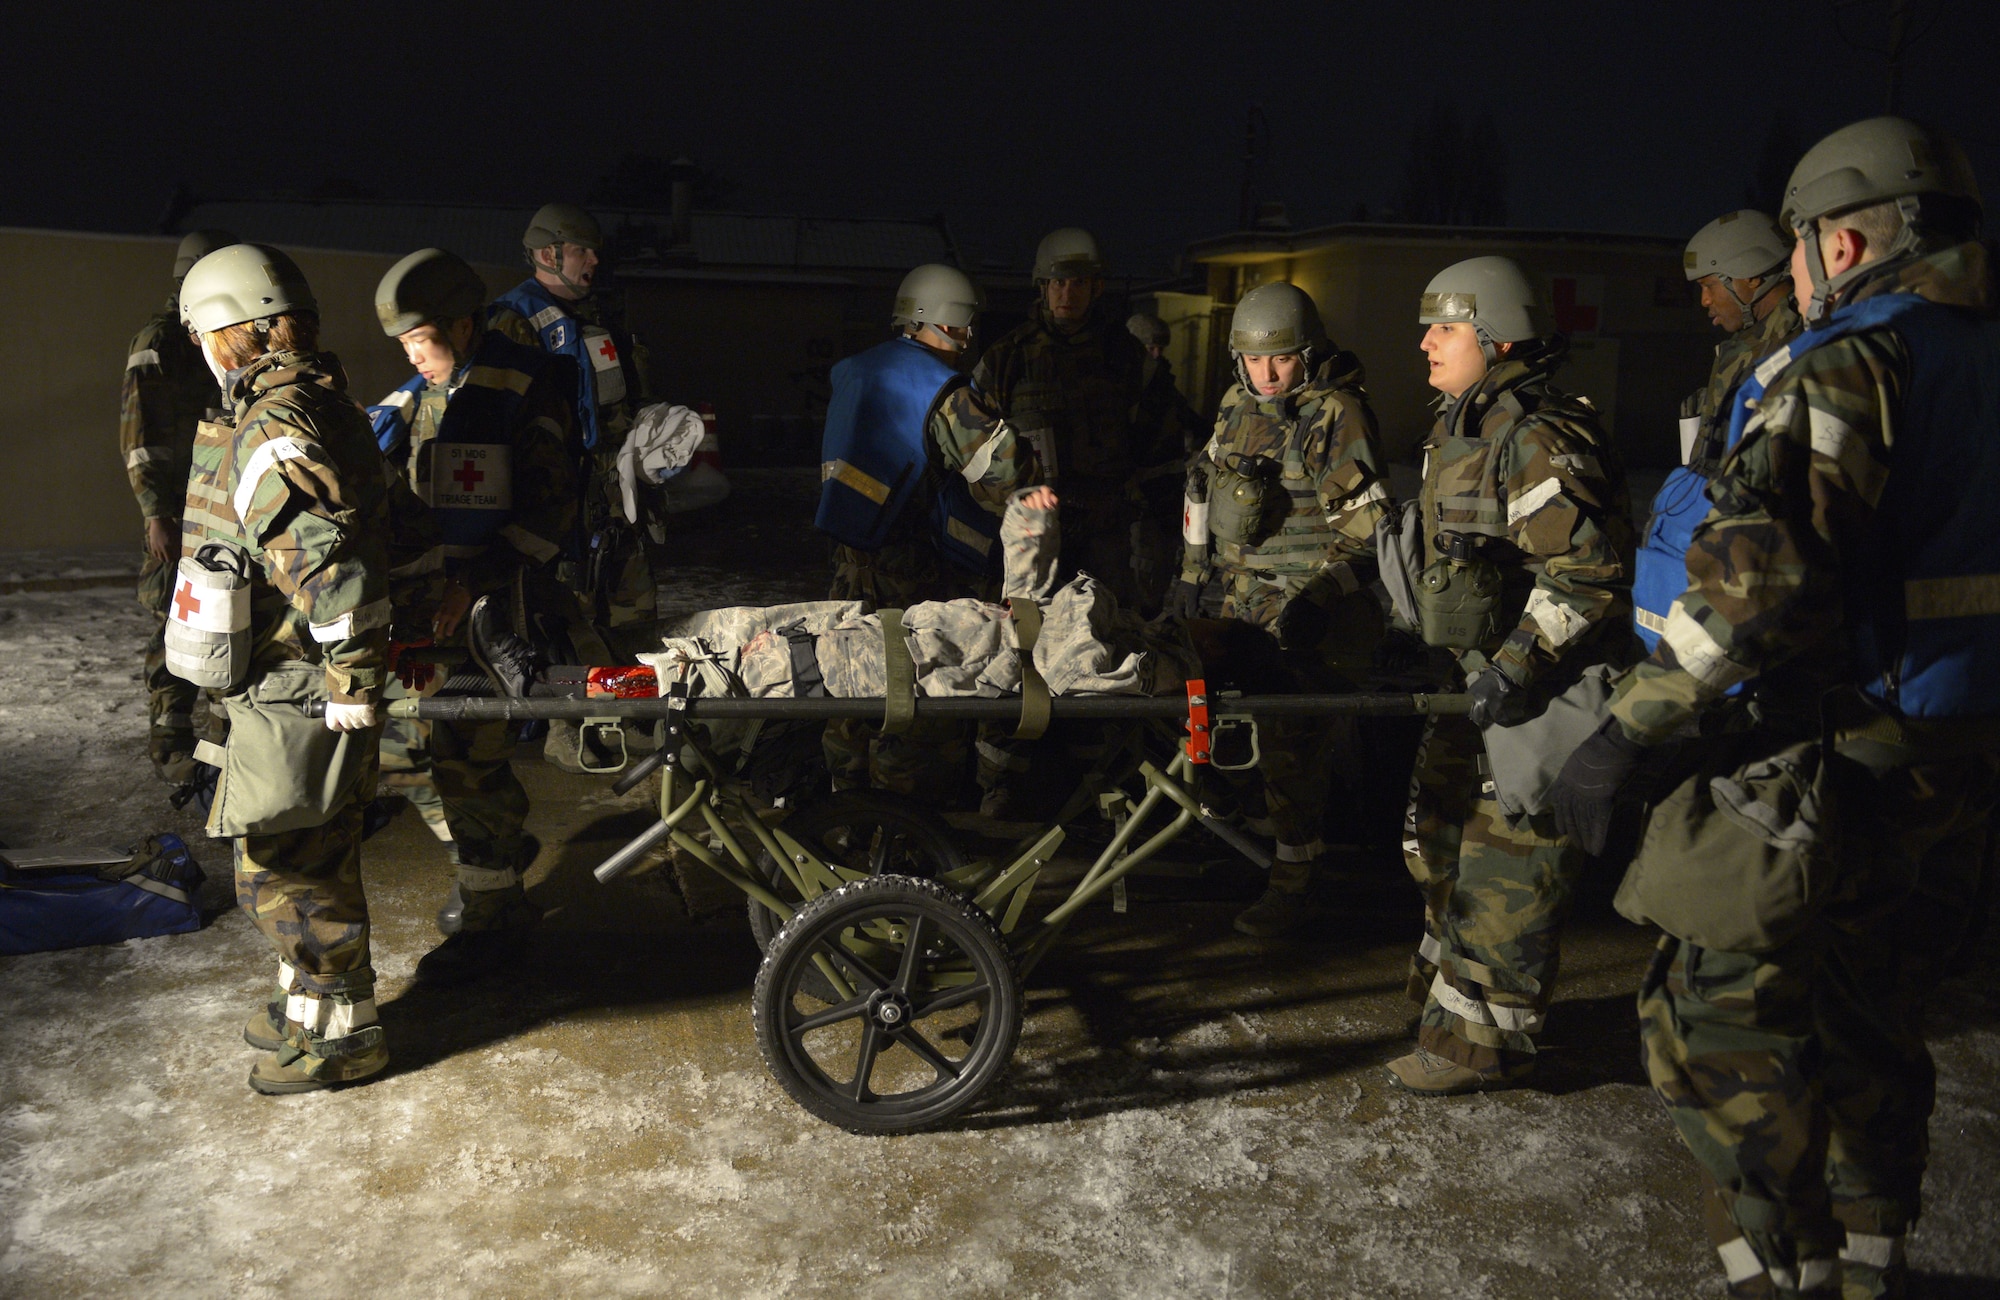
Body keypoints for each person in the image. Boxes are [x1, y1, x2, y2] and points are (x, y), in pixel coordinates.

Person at [1549, 116, 1997, 1300]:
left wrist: (1623, 736)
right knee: (1876, 1021)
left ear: (1841, 243)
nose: (1792, 274)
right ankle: (1867, 1266)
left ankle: (1773, 1272)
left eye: (1798, 247)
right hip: (1956, 766)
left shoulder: (1856, 363)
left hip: (1833, 762)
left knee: (1712, 1020)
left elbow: (1753, 590)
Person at [1389, 255, 1635, 1095]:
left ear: (1494, 339)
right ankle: (1441, 1003)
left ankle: (1477, 1048)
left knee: (1508, 868)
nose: (1425, 341)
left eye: (1445, 327)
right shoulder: (1462, 422)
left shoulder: (1536, 433)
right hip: (1472, 685)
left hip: (1537, 698)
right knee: (1434, 842)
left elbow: (1587, 573)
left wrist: (1516, 665)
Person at [171, 243, 392, 1094]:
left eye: (202, 335)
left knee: (289, 867)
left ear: (231, 333)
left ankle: (344, 1037)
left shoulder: (271, 421)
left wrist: (351, 678)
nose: (200, 351)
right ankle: (305, 1005)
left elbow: (325, 563)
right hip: (297, 680)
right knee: (311, 854)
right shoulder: (317, 403)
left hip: (298, 685)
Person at [366, 248, 580, 984]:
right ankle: (489, 856)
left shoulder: (521, 391)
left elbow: (549, 514)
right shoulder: (425, 393)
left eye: (421, 342)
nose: (413, 359)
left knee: (468, 760)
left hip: (495, 615)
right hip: (433, 613)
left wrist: (478, 583)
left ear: (461, 324)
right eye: (403, 348)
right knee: (401, 748)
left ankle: (495, 916)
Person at [938, 227, 1189, 813]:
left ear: (1096, 287)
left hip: (1106, 538)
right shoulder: (1006, 359)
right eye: (1056, 283)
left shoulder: (1129, 360)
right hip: (1031, 543)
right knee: (1015, 651)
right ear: (1041, 287)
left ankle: (1099, 787)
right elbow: (971, 459)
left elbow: (1161, 454)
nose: (1066, 294)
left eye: (1078, 283)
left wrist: (1157, 540)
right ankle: (998, 785)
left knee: (1101, 655)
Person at [1174, 282, 1390, 937]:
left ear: (1308, 353)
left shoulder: (1335, 415)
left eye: (1283, 361)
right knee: (1210, 733)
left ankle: (1295, 884)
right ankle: (1241, 847)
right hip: (1237, 606)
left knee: (1293, 758)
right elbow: (1200, 482)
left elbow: (1371, 532)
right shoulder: (1237, 404)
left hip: (1304, 617)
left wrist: (1320, 601)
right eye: (1254, 360)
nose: (1267, 375)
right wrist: (1190, 574)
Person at [815, 262, 987, 802]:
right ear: (947, 323)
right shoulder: (942, 388)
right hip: (912, 574)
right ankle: (904, 835)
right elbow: (1006, 471)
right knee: (913, 696)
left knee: (849, 688)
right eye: (964, 327)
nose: (966, 341)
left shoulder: (854, 371)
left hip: (848, 564)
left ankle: (844, 813)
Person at [1633, 211, 1806, 654]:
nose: (1705, 301)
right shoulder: (1744, 348)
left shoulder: (1799, 346)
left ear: (1748, 278)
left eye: (1710, 286)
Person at [487, 203, 654, 639]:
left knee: (632, 630)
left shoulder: (599, 320)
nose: (595, 261)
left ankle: (637, 706)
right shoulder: (513, 322)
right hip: (560, 515)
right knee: (568, 637)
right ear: (548, 255)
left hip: (616, 507)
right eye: (583, 251)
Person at [120, 227, 234, 781]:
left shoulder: (212, 335)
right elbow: (138, 432)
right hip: (177, 506)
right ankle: (170, 739)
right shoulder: (162, 340)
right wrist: (155, 513)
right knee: (174, 619)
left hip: (214, 502)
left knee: (214, 618)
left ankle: (213, 743)